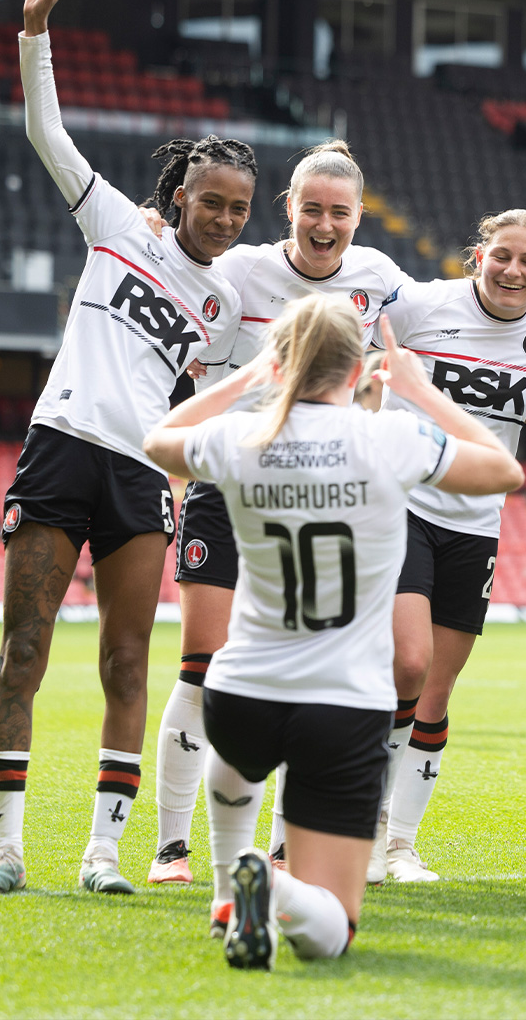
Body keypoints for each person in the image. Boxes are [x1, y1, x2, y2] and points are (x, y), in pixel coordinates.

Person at [0, 0, 256, 896]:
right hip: (59, 451)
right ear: (180, 197)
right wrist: (35, 32)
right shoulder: (116, 226)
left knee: (130, 658)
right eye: (211, 202)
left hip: (138, 475)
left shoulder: (221, 309)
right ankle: (5, 851)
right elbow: (48, 135)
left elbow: (230, 388)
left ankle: (103, 856)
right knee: (24, 650)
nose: (222, 219)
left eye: (238, 210)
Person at [142, 297, 525, 967]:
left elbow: (157, 440)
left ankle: (231, 885)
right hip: (343, 703)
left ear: (281, 364)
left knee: (237, 757)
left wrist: (244, 380)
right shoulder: (388, 439)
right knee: (333, 931)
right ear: (358, 370)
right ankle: (275, 890)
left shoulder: (242, 437)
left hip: (240, 694)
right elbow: (504, 471)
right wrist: (416, 389)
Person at [146, 140, 410, 885]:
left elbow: (457, 311)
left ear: (360, 216)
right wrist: (149, 224)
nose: (325, 225)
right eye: (312, 208)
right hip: (230, 486)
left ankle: (286, 849)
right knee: (201, 668)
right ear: (287, 207)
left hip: (322, 493)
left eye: (340, 212)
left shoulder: (381, 278)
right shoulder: (239, 269)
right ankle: (173, 848)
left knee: (313, 667)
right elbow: (170, 263)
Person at [368, 209, 526, 883]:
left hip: (477, 522)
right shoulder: (424, 304)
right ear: (476, 257)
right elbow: (341, 323)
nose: (513, 271)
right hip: (401, 503)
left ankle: (401, 845)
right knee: (407, 663)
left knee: (436, 690)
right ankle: (365, 829)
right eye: (501, 256)